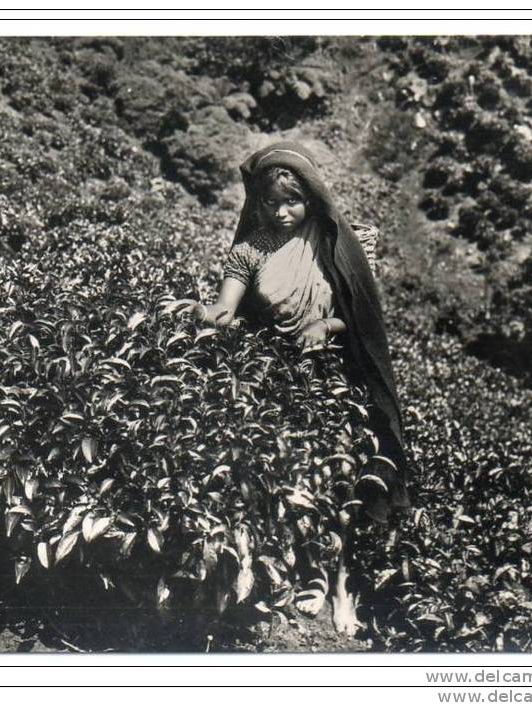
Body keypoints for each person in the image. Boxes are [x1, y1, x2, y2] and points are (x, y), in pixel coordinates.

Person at [175, 141, 411, 634]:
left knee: (343, 481)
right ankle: (306, 575)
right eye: (270, 202)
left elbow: (363, 318)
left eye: (292, 201)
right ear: (256, 203)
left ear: (312, 197)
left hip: (338, 379)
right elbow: (225, 311)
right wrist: (199, 311)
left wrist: (326, 326)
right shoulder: (249, 250)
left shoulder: (348, 242)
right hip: (281, 378)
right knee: (292, 479)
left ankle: (343, 587)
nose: (281, 213)